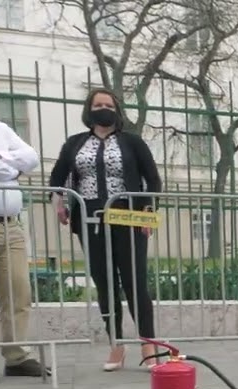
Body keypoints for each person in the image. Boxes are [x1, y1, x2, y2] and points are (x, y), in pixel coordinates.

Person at [48, 88, 162, 371]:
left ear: (117, 110)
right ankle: (116, 345)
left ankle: (148, 344)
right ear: (89, 109)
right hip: (89, 219)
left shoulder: (132, 142)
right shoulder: (75, 143)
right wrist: (59, 203)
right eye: (97, 104)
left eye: (108, 105)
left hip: (128, 217)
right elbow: (57, 178)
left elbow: (153, 179)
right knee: (104, 281)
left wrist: (148, 208)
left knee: (135, 280)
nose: (103, 109)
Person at [0, 94, 45, 383]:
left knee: (18, 292)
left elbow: (31, 156)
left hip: (12, 226)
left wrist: (2, 162)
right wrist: (12, 166)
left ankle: (17, 356)